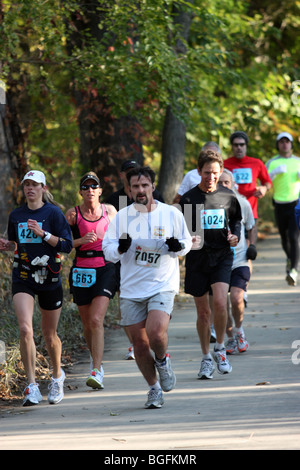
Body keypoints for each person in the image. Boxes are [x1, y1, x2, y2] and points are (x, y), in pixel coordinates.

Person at [102, 166, 192, 408]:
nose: (140, 190)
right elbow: (107, 250)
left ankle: (162, 360)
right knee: (140, 345)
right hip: (131, 289)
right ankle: (154, 389)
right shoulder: (122, 217)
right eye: (135, 187)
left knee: (155, 332)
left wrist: (177, 246)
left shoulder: (171, 214)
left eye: (145, 185)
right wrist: (120, 248)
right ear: (129, 190)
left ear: (153, 187)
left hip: (162, 284)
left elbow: (187, 242)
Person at [0, 170, 73, 406]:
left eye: (35, 185)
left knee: (50, 335)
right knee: (25, 329)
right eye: (26, 185)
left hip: (49, 276)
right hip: (23, 276)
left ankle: (56, 376)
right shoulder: (16, 215)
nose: (30, 188)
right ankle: (31, 385)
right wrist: (6, 245)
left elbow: (67, 245)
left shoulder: (53, 213)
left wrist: (44, 234)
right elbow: (15, 244)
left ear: (43, 188)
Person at [179, 150, 242, 379]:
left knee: (220, 303)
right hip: (197, 259)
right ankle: (206, 357)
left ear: (221, 172)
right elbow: (183, 230)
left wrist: (235, 236)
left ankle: (221, 348)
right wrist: (188, 240)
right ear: (199, 172)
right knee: (203, 313)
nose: (211, 177)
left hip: (222, 255)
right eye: (207, 173)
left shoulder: (228, 195)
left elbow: (236, 221)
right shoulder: (188, 198)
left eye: (215, 172)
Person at [106, 160, 165, 359]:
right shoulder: (114, 199)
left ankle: (153, 340)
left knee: (153, 305)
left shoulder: (155, 197)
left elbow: (165, 219)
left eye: (143, 182)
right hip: (125, 258)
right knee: (126, 299)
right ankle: (135, 343)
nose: (140, 187)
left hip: (152, 260)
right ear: (124, 177)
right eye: (129, 173)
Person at [65, 172, 117, 389]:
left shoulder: (111, 211)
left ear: (100, 191)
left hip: (105, 267)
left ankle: (96, 369)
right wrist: (80, 240)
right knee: (87, 323)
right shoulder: (72, 214)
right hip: (81, 270)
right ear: (80, 191)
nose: (89, 190)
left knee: (96, 319)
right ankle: (97, 364)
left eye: (93, 186)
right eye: (85, 187)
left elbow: (122, 236)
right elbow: (63, 244)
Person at [218, 169, 256, 354]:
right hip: (217, 261)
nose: (224, 185)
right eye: (221, 182)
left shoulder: (242, 202)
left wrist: (253, 245)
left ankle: (239, 330)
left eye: (227, 182)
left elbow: (251, 227)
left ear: (233, 184)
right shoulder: (210, 203)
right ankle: (231, 337)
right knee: (221, 304)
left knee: (236, 297)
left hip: (239, 260)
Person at [224, 131, 272, 242]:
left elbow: (268, 182)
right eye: (236, 145)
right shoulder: (224, 164)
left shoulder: (256, 163)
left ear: (246, 146)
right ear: (232, 147)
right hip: (231, 210)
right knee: (234, 245)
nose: (239, 148)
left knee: (250, 250)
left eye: (242, 145)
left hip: (251, 209)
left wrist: (264, 188)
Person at [266, 132, 300, 286]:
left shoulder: (298, 161)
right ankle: (289, 258)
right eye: (282, 142)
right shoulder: (272, 162)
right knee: (284, 238)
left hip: (296, 204)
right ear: (278, 144)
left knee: (294, 237)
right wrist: (273, 173)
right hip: (279, 204)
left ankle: (293, 270)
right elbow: (264, 183)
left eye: (287, 142)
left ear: (291, 144)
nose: (285, 144)